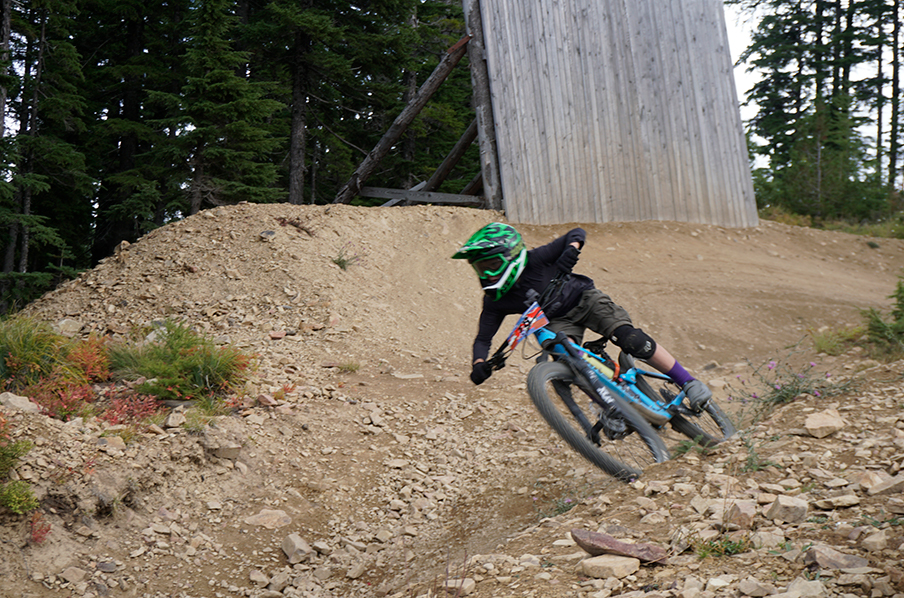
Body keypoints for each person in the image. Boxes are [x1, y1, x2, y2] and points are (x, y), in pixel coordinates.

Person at [452, 222, 712, 411]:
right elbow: (484, 337)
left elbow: (576, 233)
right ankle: (612, 408)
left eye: (491, 265)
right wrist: (479, 363)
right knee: (570, 366)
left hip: (585, 300)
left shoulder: (536, 259)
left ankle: (687, 382)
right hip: (557, 323)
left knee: (631, 339)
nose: (486, 274)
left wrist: (571, 250)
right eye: (480, 268)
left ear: (510, 256)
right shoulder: (495, 300)